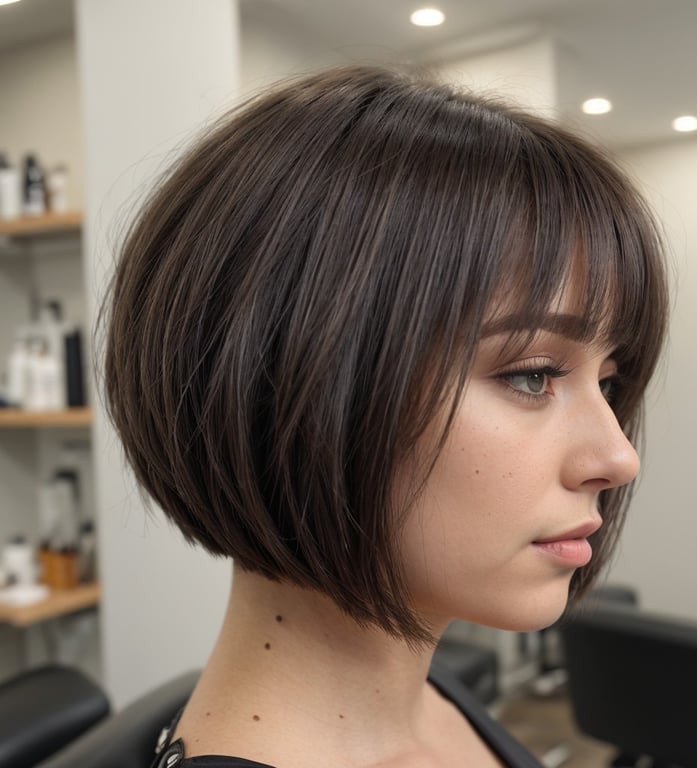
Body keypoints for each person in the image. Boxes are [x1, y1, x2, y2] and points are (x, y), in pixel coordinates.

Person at [103, 65, 667, 768]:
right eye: (532, 375)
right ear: (293, 379)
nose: (617, 458)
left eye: (609, 382)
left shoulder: (436, 703)